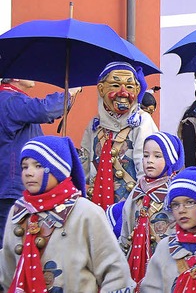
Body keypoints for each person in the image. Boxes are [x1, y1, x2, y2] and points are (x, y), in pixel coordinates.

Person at [0, 136, 135, 292]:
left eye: (38, 166)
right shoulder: (19, 211)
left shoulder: (85, 212)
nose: (29, 173)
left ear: (58, 170)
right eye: (24, 167)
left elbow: (116, 273)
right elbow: (8, 271)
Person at [0, 78, 81, 247]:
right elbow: (44, 109)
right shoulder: (9, 99)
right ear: (16, 77)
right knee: (11, 245)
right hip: (13, 186)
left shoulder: (10, 99)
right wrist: (69, 93)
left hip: (11, 184)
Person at [80, 61, 158, 210]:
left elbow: (146, 167)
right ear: (101, 89)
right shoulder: (94, 125)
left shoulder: (141, 121)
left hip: (129, 208)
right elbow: (83, 167)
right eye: (115, 85)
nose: (123, 93)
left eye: (129, 87)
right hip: (97, 207)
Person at [120, 131, 185, 288]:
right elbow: (126, 228)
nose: (150, 161)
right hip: (134, 260)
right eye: (146, 155)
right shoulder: (137, 191)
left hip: (166, 265)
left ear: (171, 160)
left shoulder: (176, 193)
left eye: (158, 156)